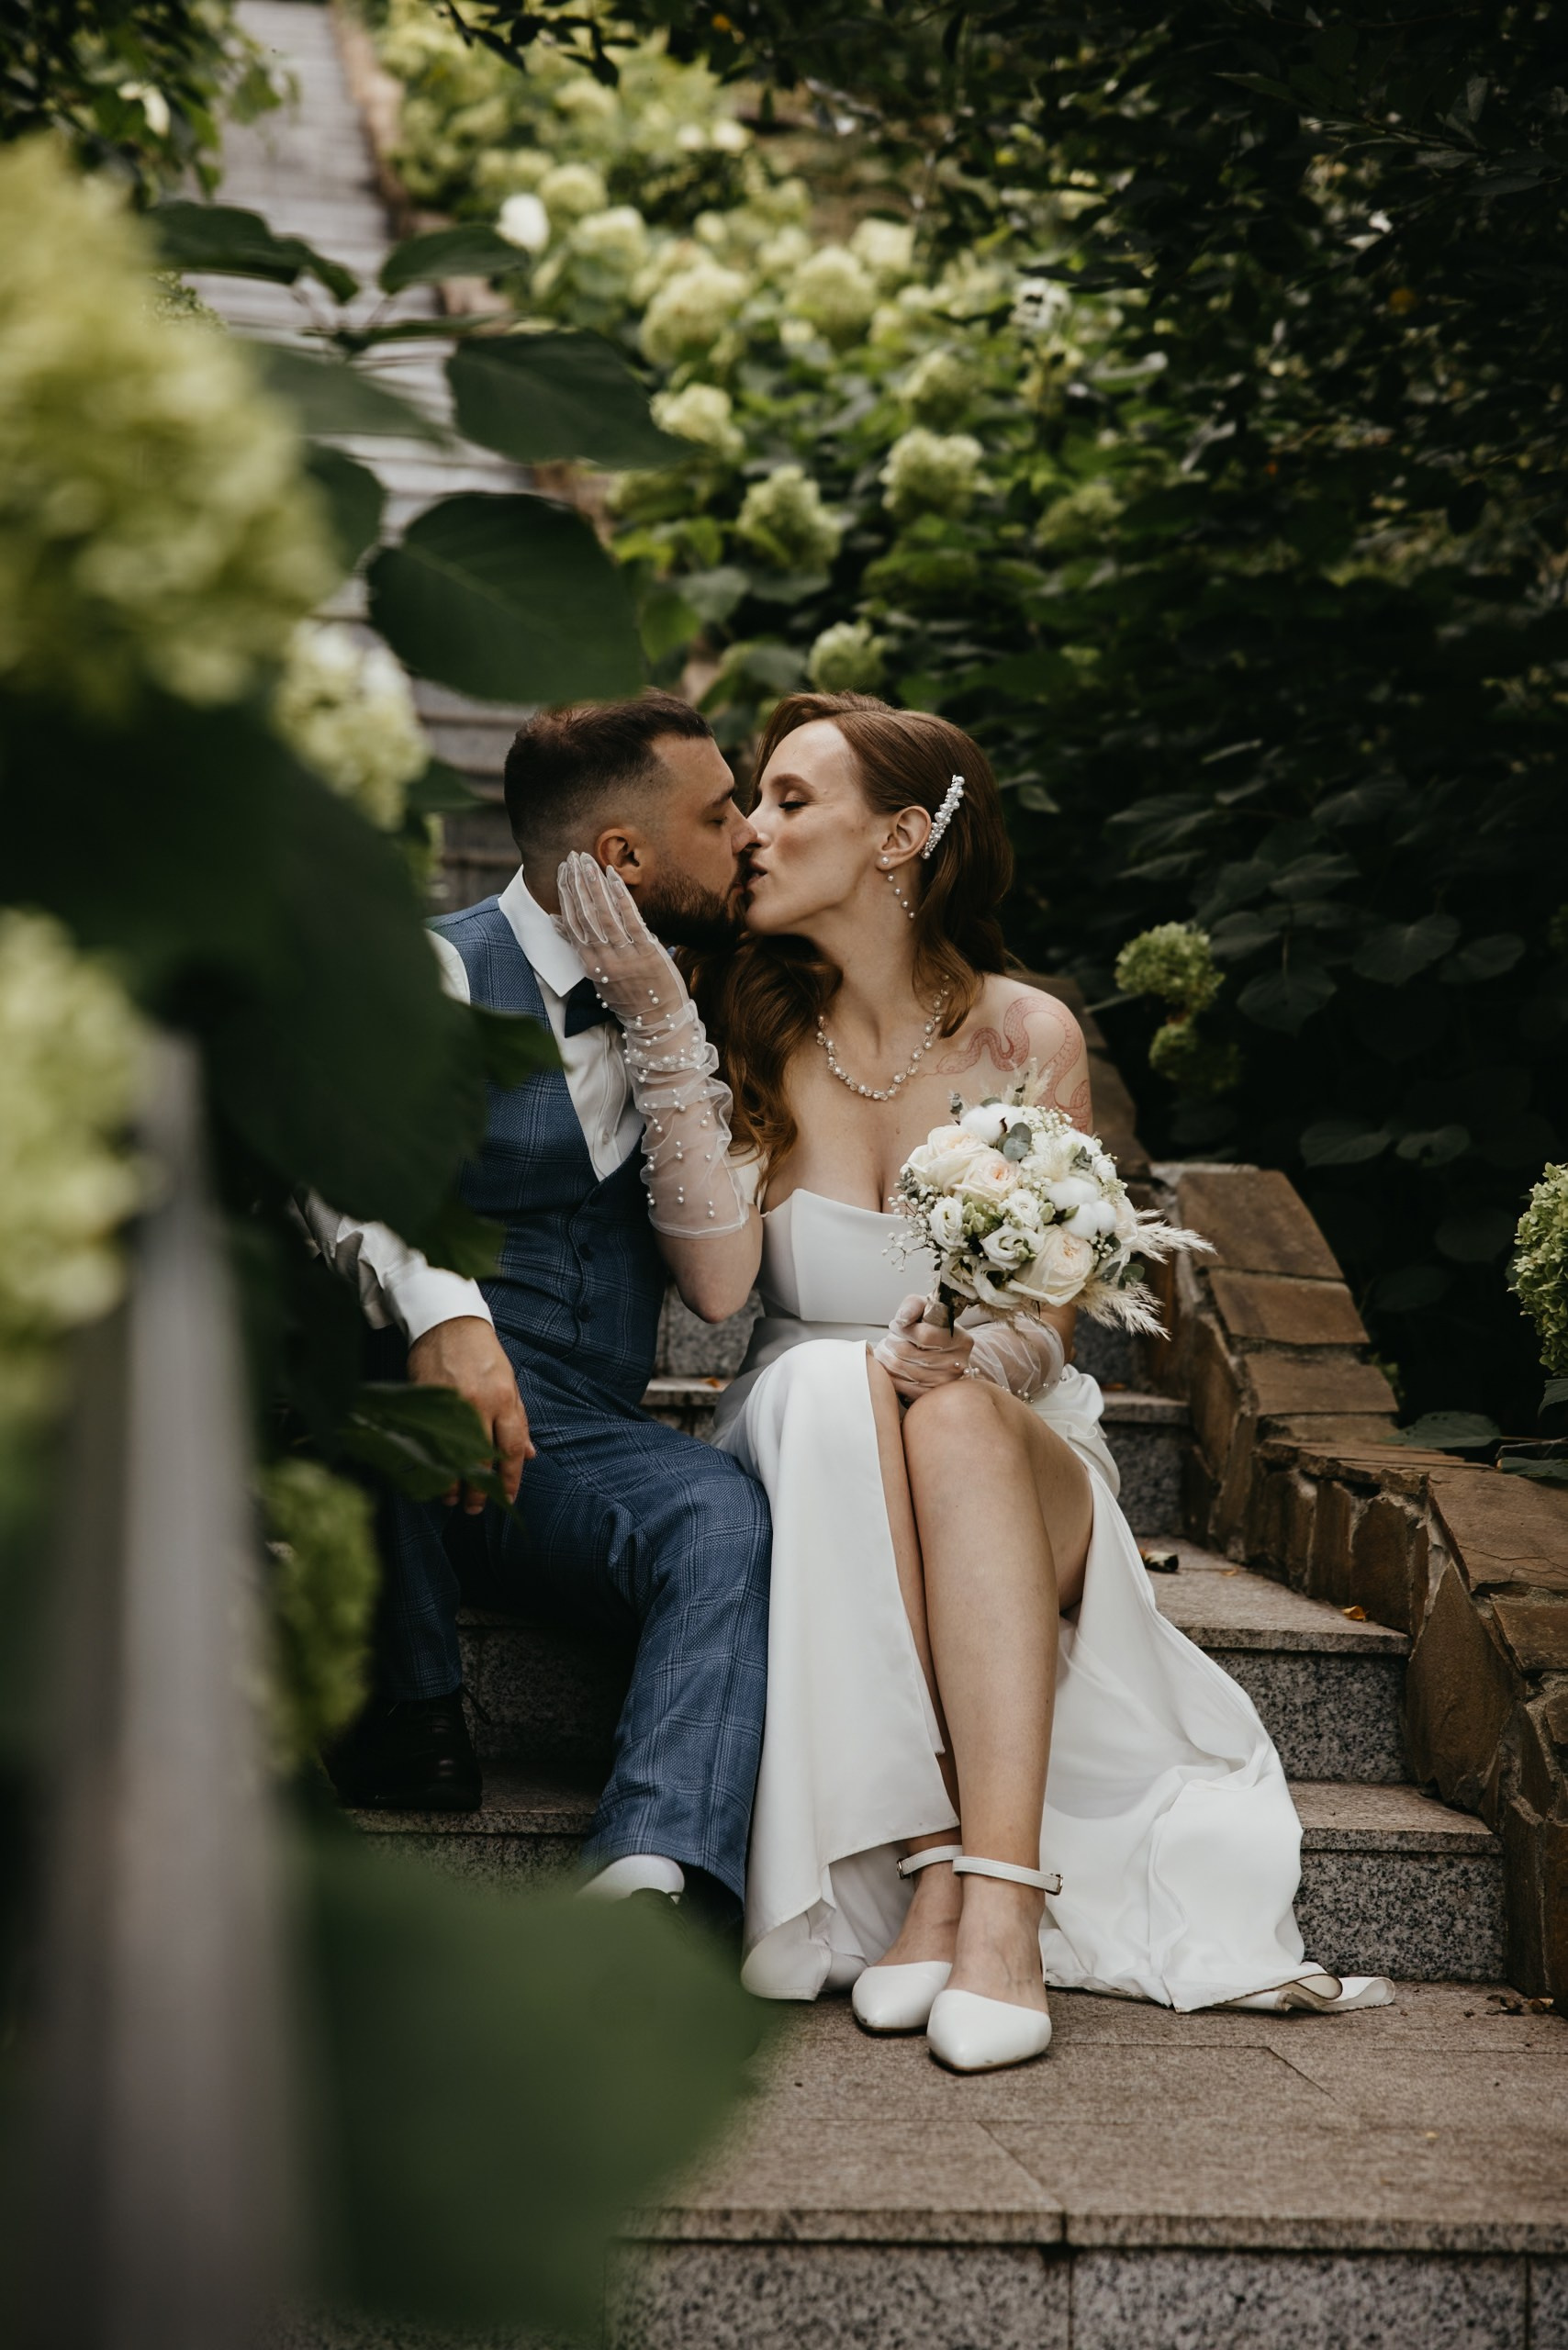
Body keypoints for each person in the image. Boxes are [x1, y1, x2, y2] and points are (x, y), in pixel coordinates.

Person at [554, 690, 1393, 2073]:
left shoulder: (1028, 1037)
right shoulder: (737, 1021)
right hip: (808, 1429)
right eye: (750, 802)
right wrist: (660, 1023)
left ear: (900, 838)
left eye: (789, 801)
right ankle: (937, 1859)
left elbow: (1053, 1319)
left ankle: (987, 1901)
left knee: (950, 1410)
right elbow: (712, 1291)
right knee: (835, 1386)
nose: (751, 832)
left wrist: (975, 1354)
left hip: (1001, 1436)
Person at [308, 693, 770, 1928]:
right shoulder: (438, 968)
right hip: (408, 1419)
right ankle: (408, 1703)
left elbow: (718, 1281)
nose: (750, 836)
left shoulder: (710, 997)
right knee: (354, 1325)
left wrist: (670, 1028)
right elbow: (347, 1164)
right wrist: (444, 1315)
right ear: (623, 856)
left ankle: (650, 1869)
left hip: (575, 1448)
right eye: (720, 814)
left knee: (721, 1512)